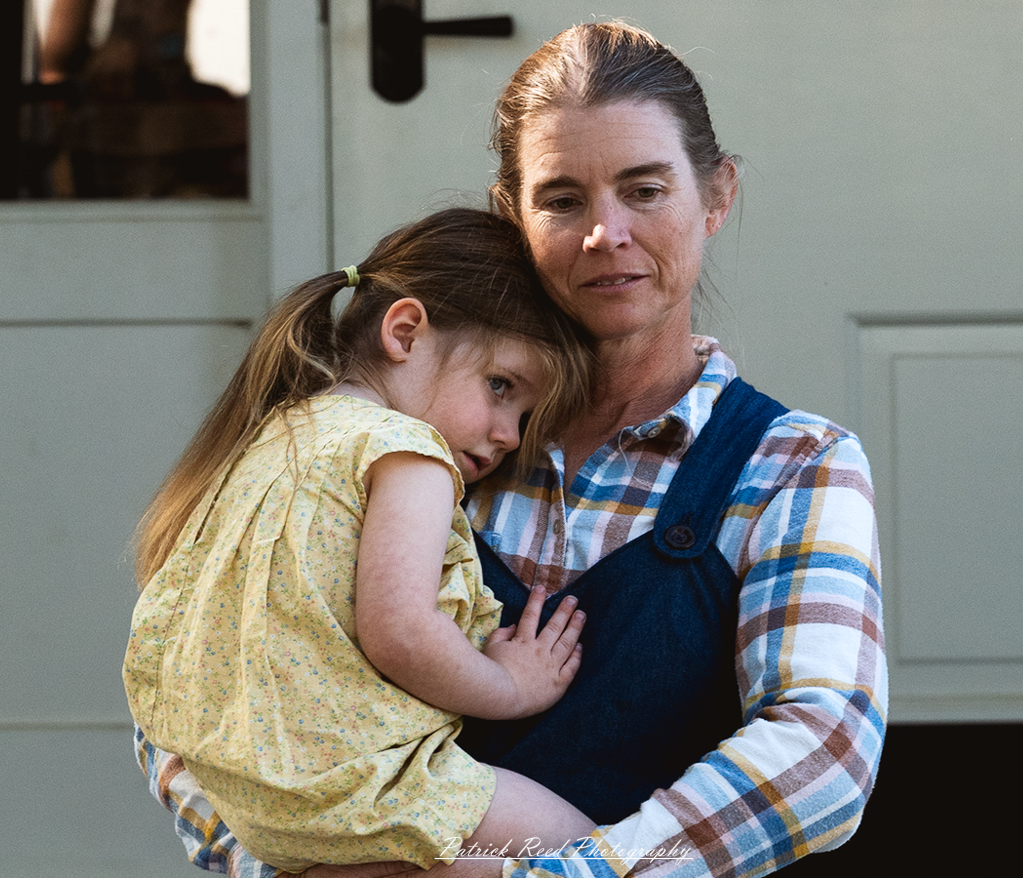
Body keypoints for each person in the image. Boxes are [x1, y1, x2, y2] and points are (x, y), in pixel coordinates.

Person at [139, 21, 887, 878]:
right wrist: (290, 865)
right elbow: (204, 676)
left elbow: (822, 752)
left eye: (645, 190)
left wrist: (575, 877)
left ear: (716, 195)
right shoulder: (411, 446)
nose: (605, 233)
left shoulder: (790, 465)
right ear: (512, 213)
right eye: (562, 200)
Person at [124, 208, 604, 872]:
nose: (510, 435)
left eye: (524, 415)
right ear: (404, 332)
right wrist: (509, 684)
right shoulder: (408, 453)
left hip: (251, 797)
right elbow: (402, 632)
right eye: (501, 387)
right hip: (356, 780)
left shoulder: (279, 433)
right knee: (592, 856)